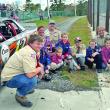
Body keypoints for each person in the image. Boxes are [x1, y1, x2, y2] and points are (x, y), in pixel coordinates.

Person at [1, 34, 44, 107]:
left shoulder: (29, 49)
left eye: (41, 44)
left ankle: (25, 88)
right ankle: (20, 95)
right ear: (30, 43)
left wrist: (39, 66)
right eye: (37, 44)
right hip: (8, 79)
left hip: (13, 74)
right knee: (32, 80)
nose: (40, 46)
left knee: (34, 75)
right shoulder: (29, 53)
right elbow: (29, 74)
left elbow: (33, 63)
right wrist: (40, 68)